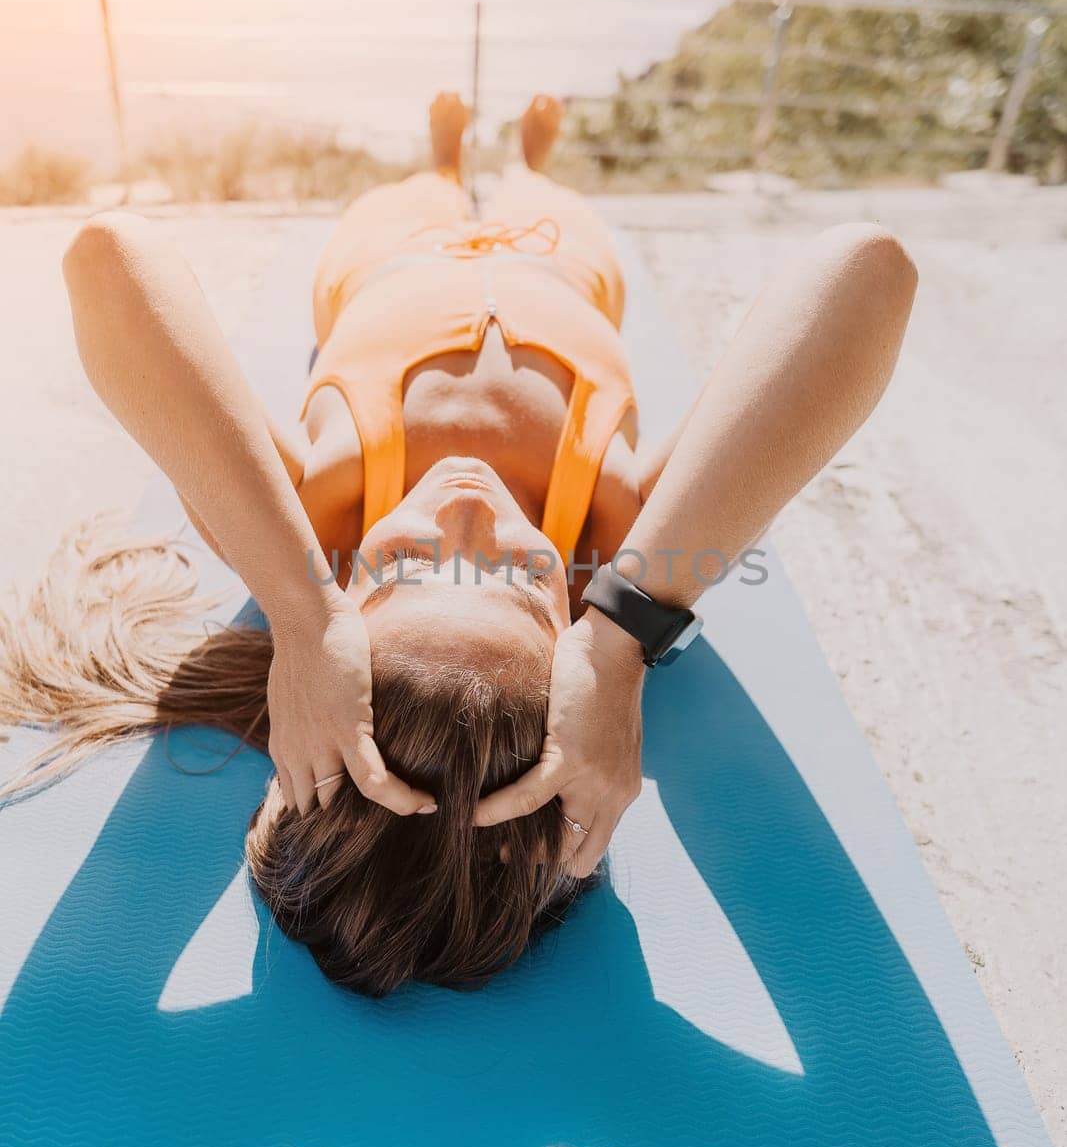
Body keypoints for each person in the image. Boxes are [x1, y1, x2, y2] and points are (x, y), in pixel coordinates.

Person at [0, 93, 917, 995]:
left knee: (420, 189)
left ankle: (442, 160)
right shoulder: (622, 544)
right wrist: (619, 642)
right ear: (565, 636)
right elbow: (867, 270)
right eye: (522, 574)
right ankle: (527, 161)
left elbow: (109, 259)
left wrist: (298, 612)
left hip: (385, 255)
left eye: (402, 564)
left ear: (350, 599)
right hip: (565, 264)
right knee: (533, 190)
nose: (467, 513)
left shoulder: (317, 521)